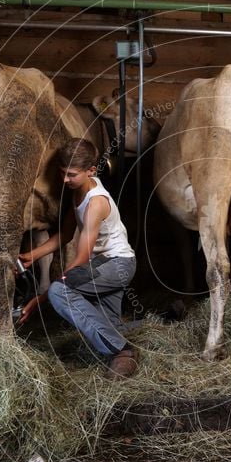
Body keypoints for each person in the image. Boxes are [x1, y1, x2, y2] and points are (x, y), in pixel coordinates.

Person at [17, 138, 138, 380]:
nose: (64, 180)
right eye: (62, 173)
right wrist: (31, 256)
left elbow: (81, 258)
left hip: (117, 265)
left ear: (91, 170)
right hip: (103, 265)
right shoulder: (77, 193)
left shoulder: (96, 202)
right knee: (109, 327)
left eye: (71, 175)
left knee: (60, 292)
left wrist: (40, 299)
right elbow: (64, 235)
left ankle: (123, 353)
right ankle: (167, 317)